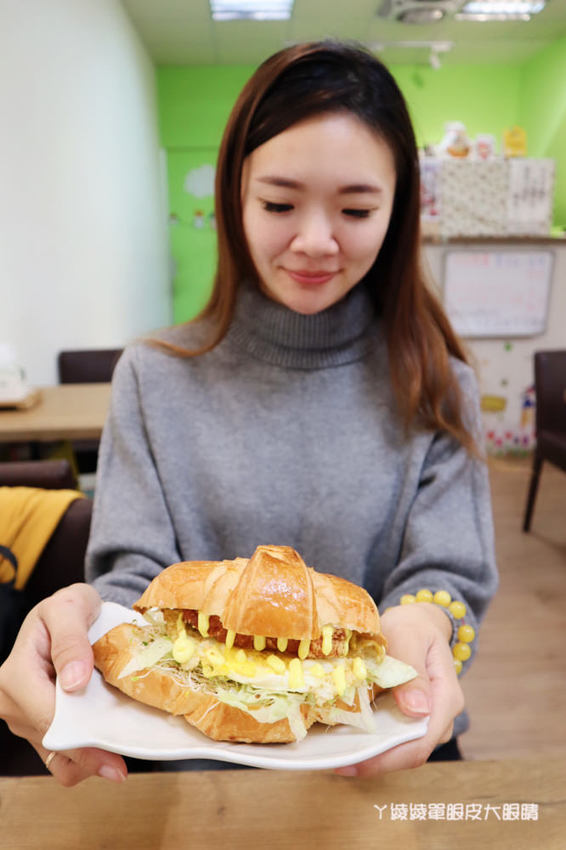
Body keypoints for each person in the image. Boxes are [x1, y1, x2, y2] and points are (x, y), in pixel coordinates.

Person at [0, 40, 497, 786]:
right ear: (235, 196)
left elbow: (446, 577)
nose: (315, 241)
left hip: (386, 743)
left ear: (398, 212)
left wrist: (422, 625)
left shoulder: (438, 383)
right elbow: (134, 583)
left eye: (357, 208)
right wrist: (88, 627)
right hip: (190, 761)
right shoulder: (153, 375)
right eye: (279, 203)